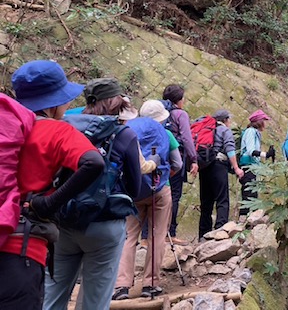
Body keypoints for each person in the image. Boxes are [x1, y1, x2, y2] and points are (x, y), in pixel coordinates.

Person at [1, 61, 104, 310]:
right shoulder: (56, 131)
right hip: (21, 251)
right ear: (53, 103)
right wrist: (49, 203)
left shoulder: (4, 128)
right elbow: (93, 162)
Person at [43, 78, 142, 310]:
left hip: (64, 220)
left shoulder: (67, 127)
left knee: (51, 296)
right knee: (94, 302)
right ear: (118, 103)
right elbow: (135, 189)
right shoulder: (125, 135)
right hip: (104, 225)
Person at [113, 100, 182, 300]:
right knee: (157, 235)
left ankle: (122, 285)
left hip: (133, 191)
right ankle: (150, 284)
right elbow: (177, 163)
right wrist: (165, 175)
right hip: (159, 190)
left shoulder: (128, 131)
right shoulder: (166, 134)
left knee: (128, 236)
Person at [198, 109, 243, 240]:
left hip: (205, 166)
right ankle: (220, 231)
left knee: (206, 202)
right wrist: (236, 168)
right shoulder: (224, 130)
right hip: (218, 165)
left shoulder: (206, 129)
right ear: (225, 120)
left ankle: (203, 234)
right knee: (222, 199)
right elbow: (230, 149)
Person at [162, 85, 198, 244]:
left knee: (158, 193)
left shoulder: (161, 113)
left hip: (159, 157)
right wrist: (194, 159)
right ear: (179, 100)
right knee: (174, 195)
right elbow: (187, 138)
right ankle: (170, 233)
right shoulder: (180, 114)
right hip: (175, 157)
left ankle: (148, 234)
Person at [238, 110, 273, 220]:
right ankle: (243, 219)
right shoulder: (250, 132)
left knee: (252, 193)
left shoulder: (255, 133)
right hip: (248, 166)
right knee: (248, 193)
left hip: (252, 166)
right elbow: (250, 151)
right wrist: (266, 154)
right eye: (264, 121)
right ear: (259, 122)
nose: (265, 124)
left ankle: (249, 220)